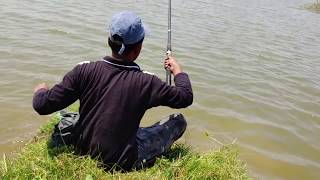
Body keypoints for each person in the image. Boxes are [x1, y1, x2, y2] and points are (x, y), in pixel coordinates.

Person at [32, 11, 193, 171]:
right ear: (137, 49)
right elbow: (185, 96)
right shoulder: (147, 82)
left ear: (109, 40)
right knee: (178, 120)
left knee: (67, 116)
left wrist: (41, 91)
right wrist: (178, 71)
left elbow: (42, 105)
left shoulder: (84, 70)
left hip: (85, 149)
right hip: (122, 162)